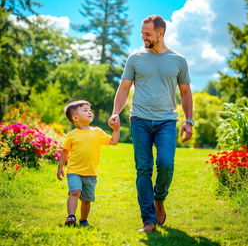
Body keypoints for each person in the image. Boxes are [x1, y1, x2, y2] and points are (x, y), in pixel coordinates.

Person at [108, 15, 193, 233]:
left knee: (166, 164)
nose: (143, 37)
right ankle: (148, 219)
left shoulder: (178, 60)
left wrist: (189, 120)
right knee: (143, 168)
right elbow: (124, 88)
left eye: (148, 34)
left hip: (167, 121)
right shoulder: (135, 58)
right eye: (142, 33)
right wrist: (116, 112)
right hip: (140, 120)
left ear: (160, 33)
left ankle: (159, 198)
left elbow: (185, 91)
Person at [57, 100, 120, 227]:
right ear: (75, 117)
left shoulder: (97, 132)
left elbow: (113, 141)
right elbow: (65, 152)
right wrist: (60, 168)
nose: (89, 112)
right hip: (74, 171)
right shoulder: (72, 135)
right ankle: (71, 216)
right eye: (85, 110)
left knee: (86, 200)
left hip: (91, 173)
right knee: (75, 192)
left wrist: (116, 129)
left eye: (89, 109)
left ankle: (83, 220)